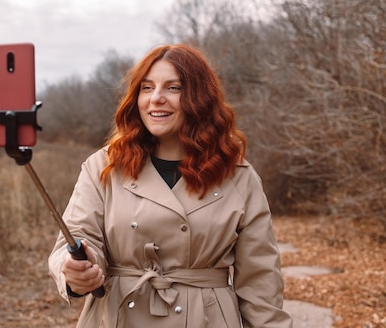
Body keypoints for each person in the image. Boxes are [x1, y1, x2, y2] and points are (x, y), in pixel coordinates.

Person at [48, 44, 292, 328]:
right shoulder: (104, 166)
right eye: (147, 88)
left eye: (173, 88)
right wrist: (76, 270)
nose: (156, 99)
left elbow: (260, 280)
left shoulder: (237, 176)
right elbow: (75, 237)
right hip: (118, 316)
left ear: (199, 98)